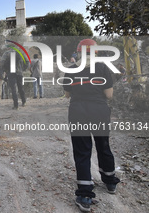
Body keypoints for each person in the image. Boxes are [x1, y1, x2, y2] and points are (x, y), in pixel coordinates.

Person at [63, 39, 120, 212]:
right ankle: (110, 181)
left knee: (82, 151)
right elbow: (109, 95)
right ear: (96, 52)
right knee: (103, 145)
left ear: (78, 52)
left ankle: (85, 195)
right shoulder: (102, 68)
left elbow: (67, 94)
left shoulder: (71, 70)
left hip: (78, 111)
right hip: (99, 111)